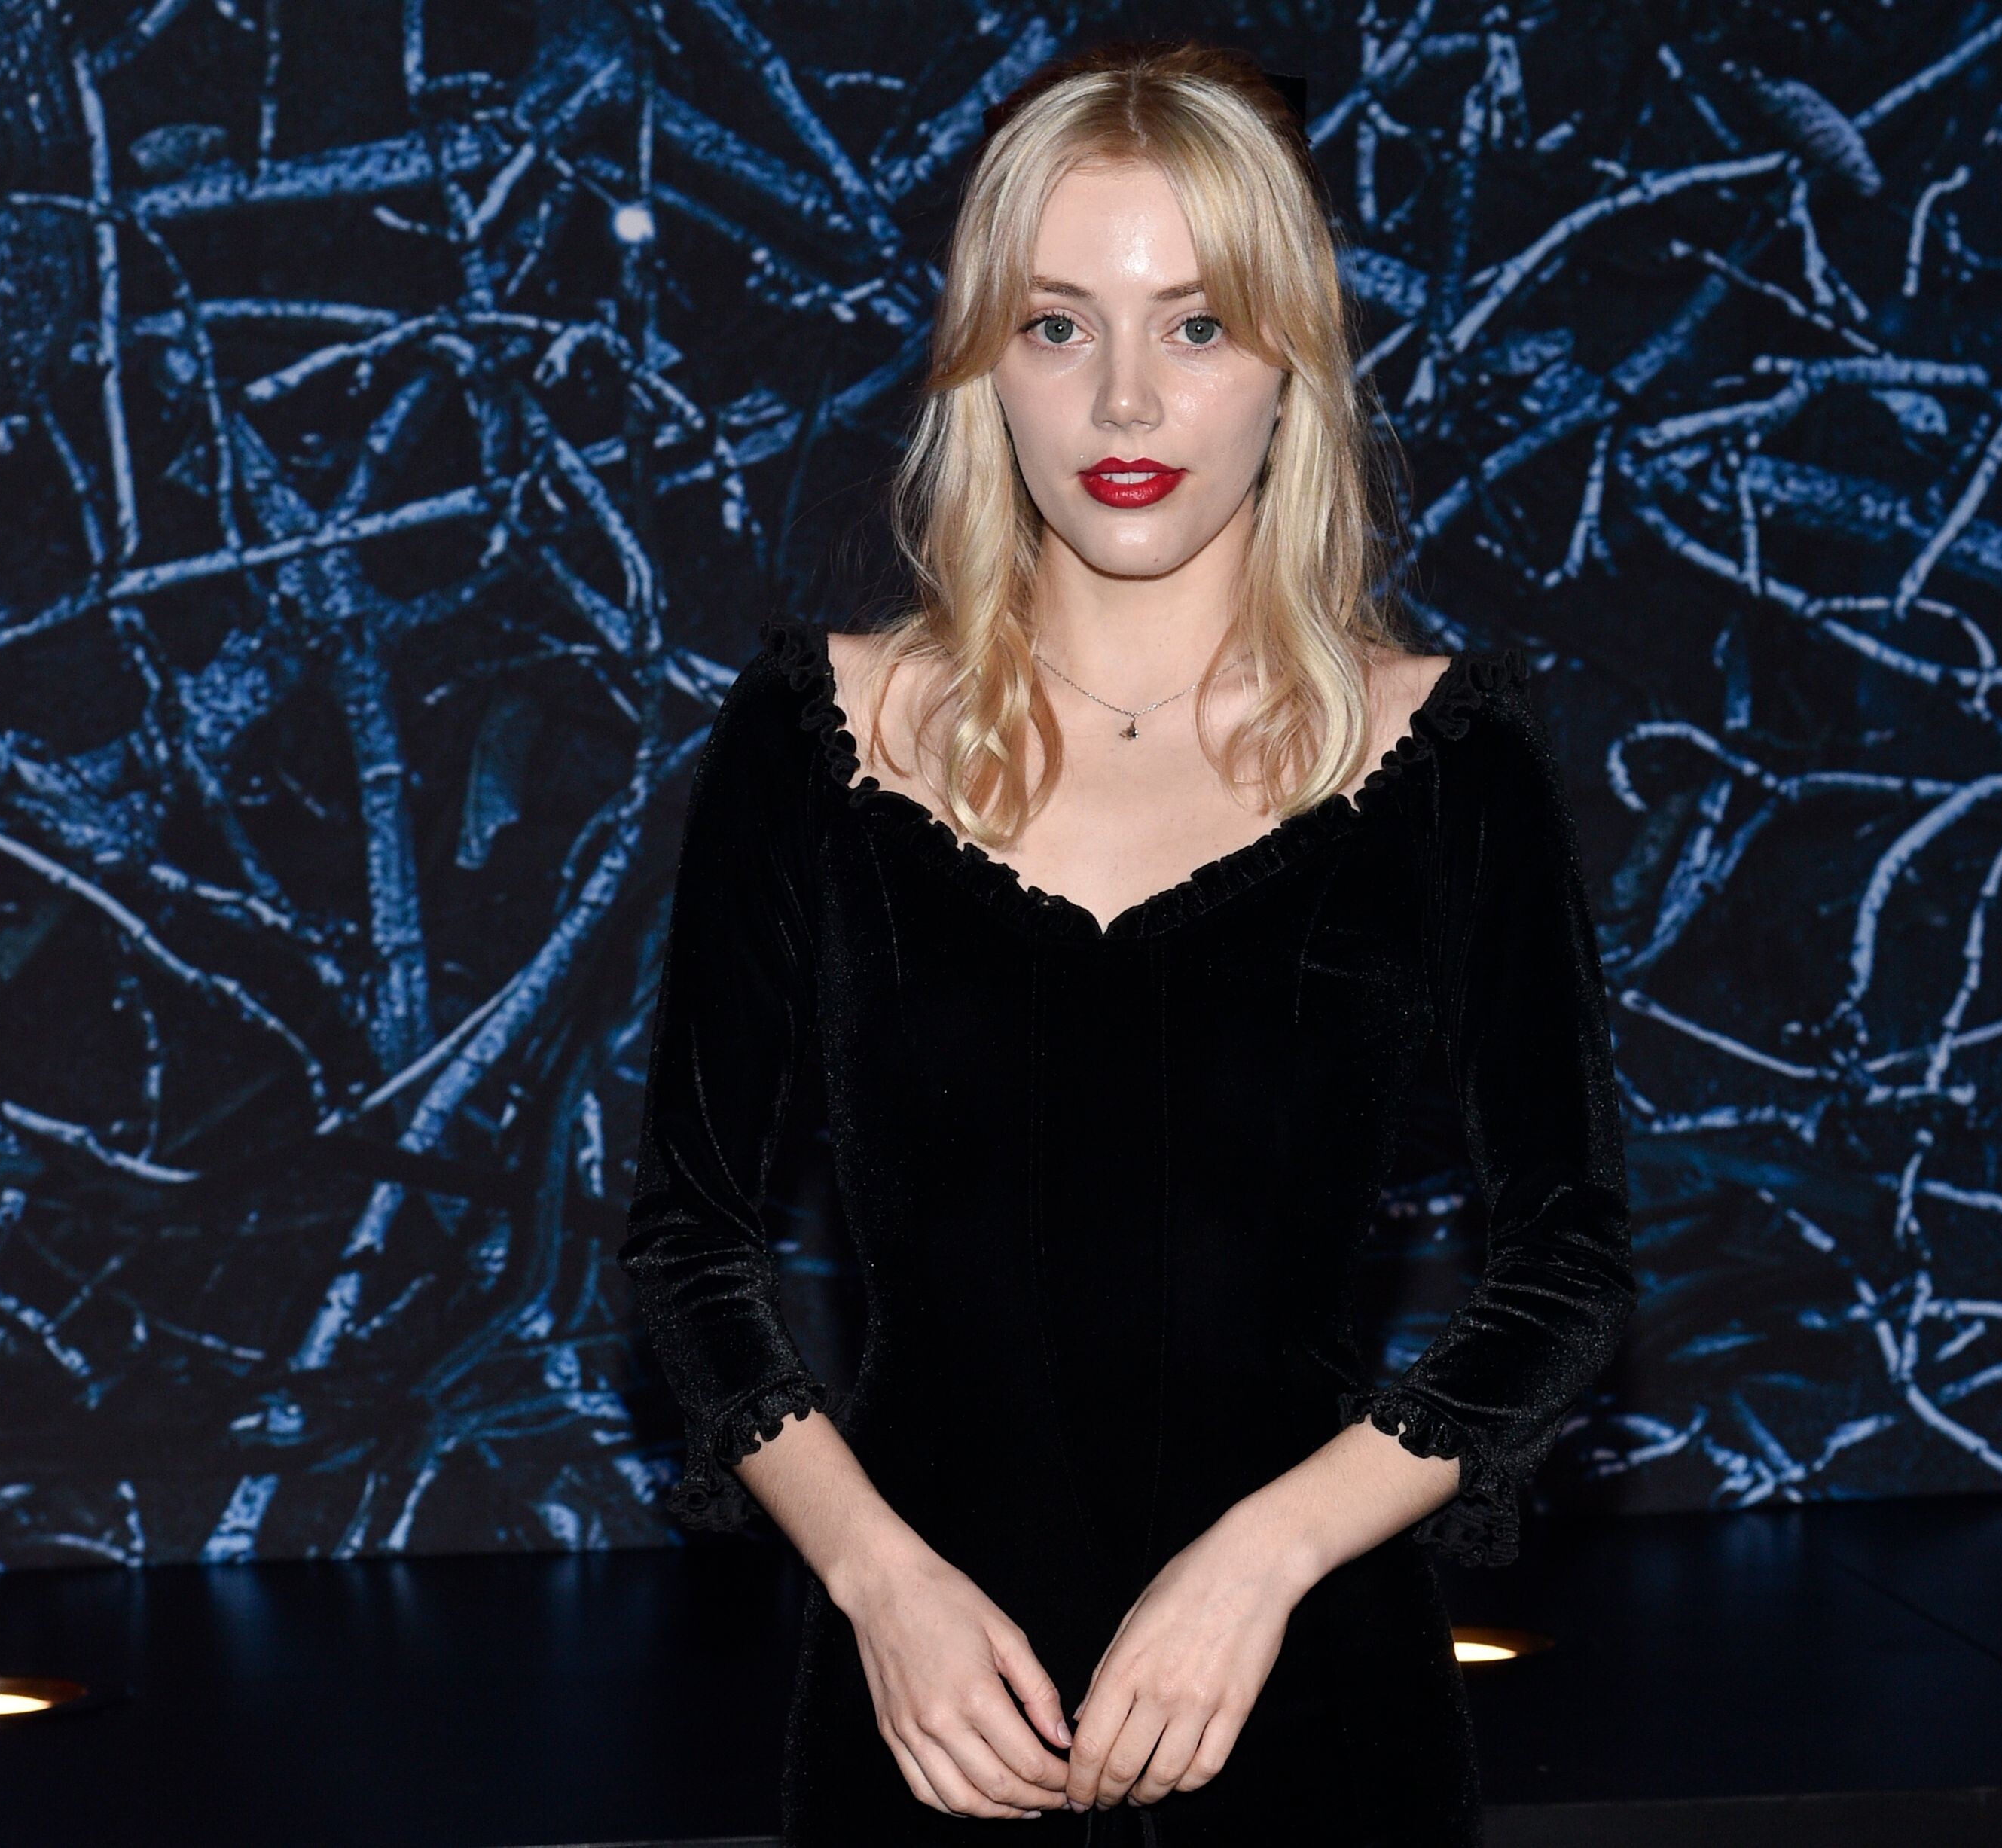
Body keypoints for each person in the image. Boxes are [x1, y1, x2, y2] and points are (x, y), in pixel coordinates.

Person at [618, 40, 1637, 1846]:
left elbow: (1565, 1267)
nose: (1125, 403)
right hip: (930, 1722)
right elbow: (686, 1247)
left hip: (1314, 1709)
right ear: (979, 362)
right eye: (1056, 325)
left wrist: (1265, 1560)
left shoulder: (1440, 761)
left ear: (1290, 361)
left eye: (1197, 325)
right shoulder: (816, 741)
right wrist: (879, 1585)